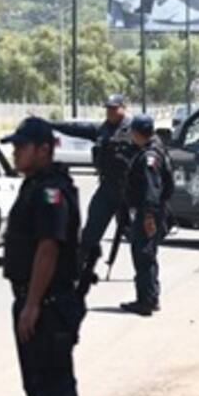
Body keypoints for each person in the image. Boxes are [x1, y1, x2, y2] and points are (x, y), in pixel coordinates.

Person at [1, 117, 84, 396]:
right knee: (37, 378)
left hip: (49, 303)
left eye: (22, 146)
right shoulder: (36, 186)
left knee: (50, 378)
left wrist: (33, 304)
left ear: (44, 149)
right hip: (37, 299)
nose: (15, 152)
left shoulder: (52, 191)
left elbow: (48, 249)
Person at [47, 95, 136, 285]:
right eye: (108, 108)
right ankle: (76, 272)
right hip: (108, 188)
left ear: (123, 108)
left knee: (137, 236)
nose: (110, 112)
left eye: (114, 108)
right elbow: (76, 129)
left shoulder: (134, 129)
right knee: (90, 233)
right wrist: (51, 124)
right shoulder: (102, 129)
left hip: (129, 191)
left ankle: (145, 280)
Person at [121, 114, 174, 316]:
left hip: (149, 212)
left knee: (143, 255)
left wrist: (149, 217)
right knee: (147, 254)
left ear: (136, 132)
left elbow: (151, 189)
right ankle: (150, 297)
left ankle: (146, 301)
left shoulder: (148, 157)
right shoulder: (155, 147)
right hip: (151, 210)